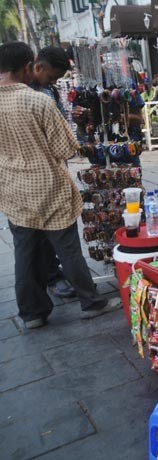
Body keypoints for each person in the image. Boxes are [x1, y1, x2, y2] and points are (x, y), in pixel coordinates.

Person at [0, 42, 121, 329]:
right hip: (48, 185)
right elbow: (66, 148)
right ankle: (90, 302)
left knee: (25, 252)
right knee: (67, 248)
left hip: (12, 188)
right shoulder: (36, 101)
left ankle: (32, 313)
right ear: (28, 67)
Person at [30, 46, 76, 299]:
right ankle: (53, 277)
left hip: (56, 166)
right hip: (39, 172)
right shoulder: (27, 94)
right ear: (38, 68)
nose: (54, 82)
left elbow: (59, 122)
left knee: (58, 226)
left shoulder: (50, 90)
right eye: (51, 77)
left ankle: (60, 272)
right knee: (46, 230)